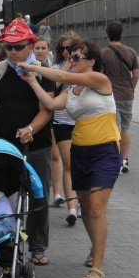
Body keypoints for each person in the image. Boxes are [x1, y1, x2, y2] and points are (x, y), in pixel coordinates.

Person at [20, 39, 121, 278]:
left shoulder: (98, 80)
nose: (71, 60)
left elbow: (61, 74)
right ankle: (95, 246)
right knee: (86, 208)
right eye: (70, 56)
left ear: (91, 62)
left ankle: (98, 268)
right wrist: (32, 81)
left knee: (96, 208)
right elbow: (53, 104)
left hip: (105, 150)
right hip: (81, 151)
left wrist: (35, 67)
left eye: (77, 57)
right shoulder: (73, 91)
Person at [0, 19, 54, 266]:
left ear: (31, 45)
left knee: (38, 196)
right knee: (0, 192)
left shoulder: (43, 72)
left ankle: (37, 246)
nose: (13, 52)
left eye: (19, 46)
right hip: (3, 143)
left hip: (36, 144)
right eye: (9, 47)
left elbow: (47, 109)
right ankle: (1, 240)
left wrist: (31, 128)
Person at [100, 22, 139, 173]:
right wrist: (131, 88)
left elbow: (101, 75)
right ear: (121, 34)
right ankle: (124, 159)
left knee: (113, 127)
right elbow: (135, 75)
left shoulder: (103, 53)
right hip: (127, 94)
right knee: (126, 126)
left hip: (110, 95)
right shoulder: (131, 52)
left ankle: (114, 158)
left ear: (107, 35)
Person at [50, 32, 79, 224]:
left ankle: (83, 201)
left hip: (82, 121)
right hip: (62, 122)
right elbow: (54, 85)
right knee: (69, 165)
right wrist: (67, 66)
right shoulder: (56, 67)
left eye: (71, 48)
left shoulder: (85, 66)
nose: (67, 51)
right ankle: (72, 208)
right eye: (63, 48)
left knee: (83, 165)